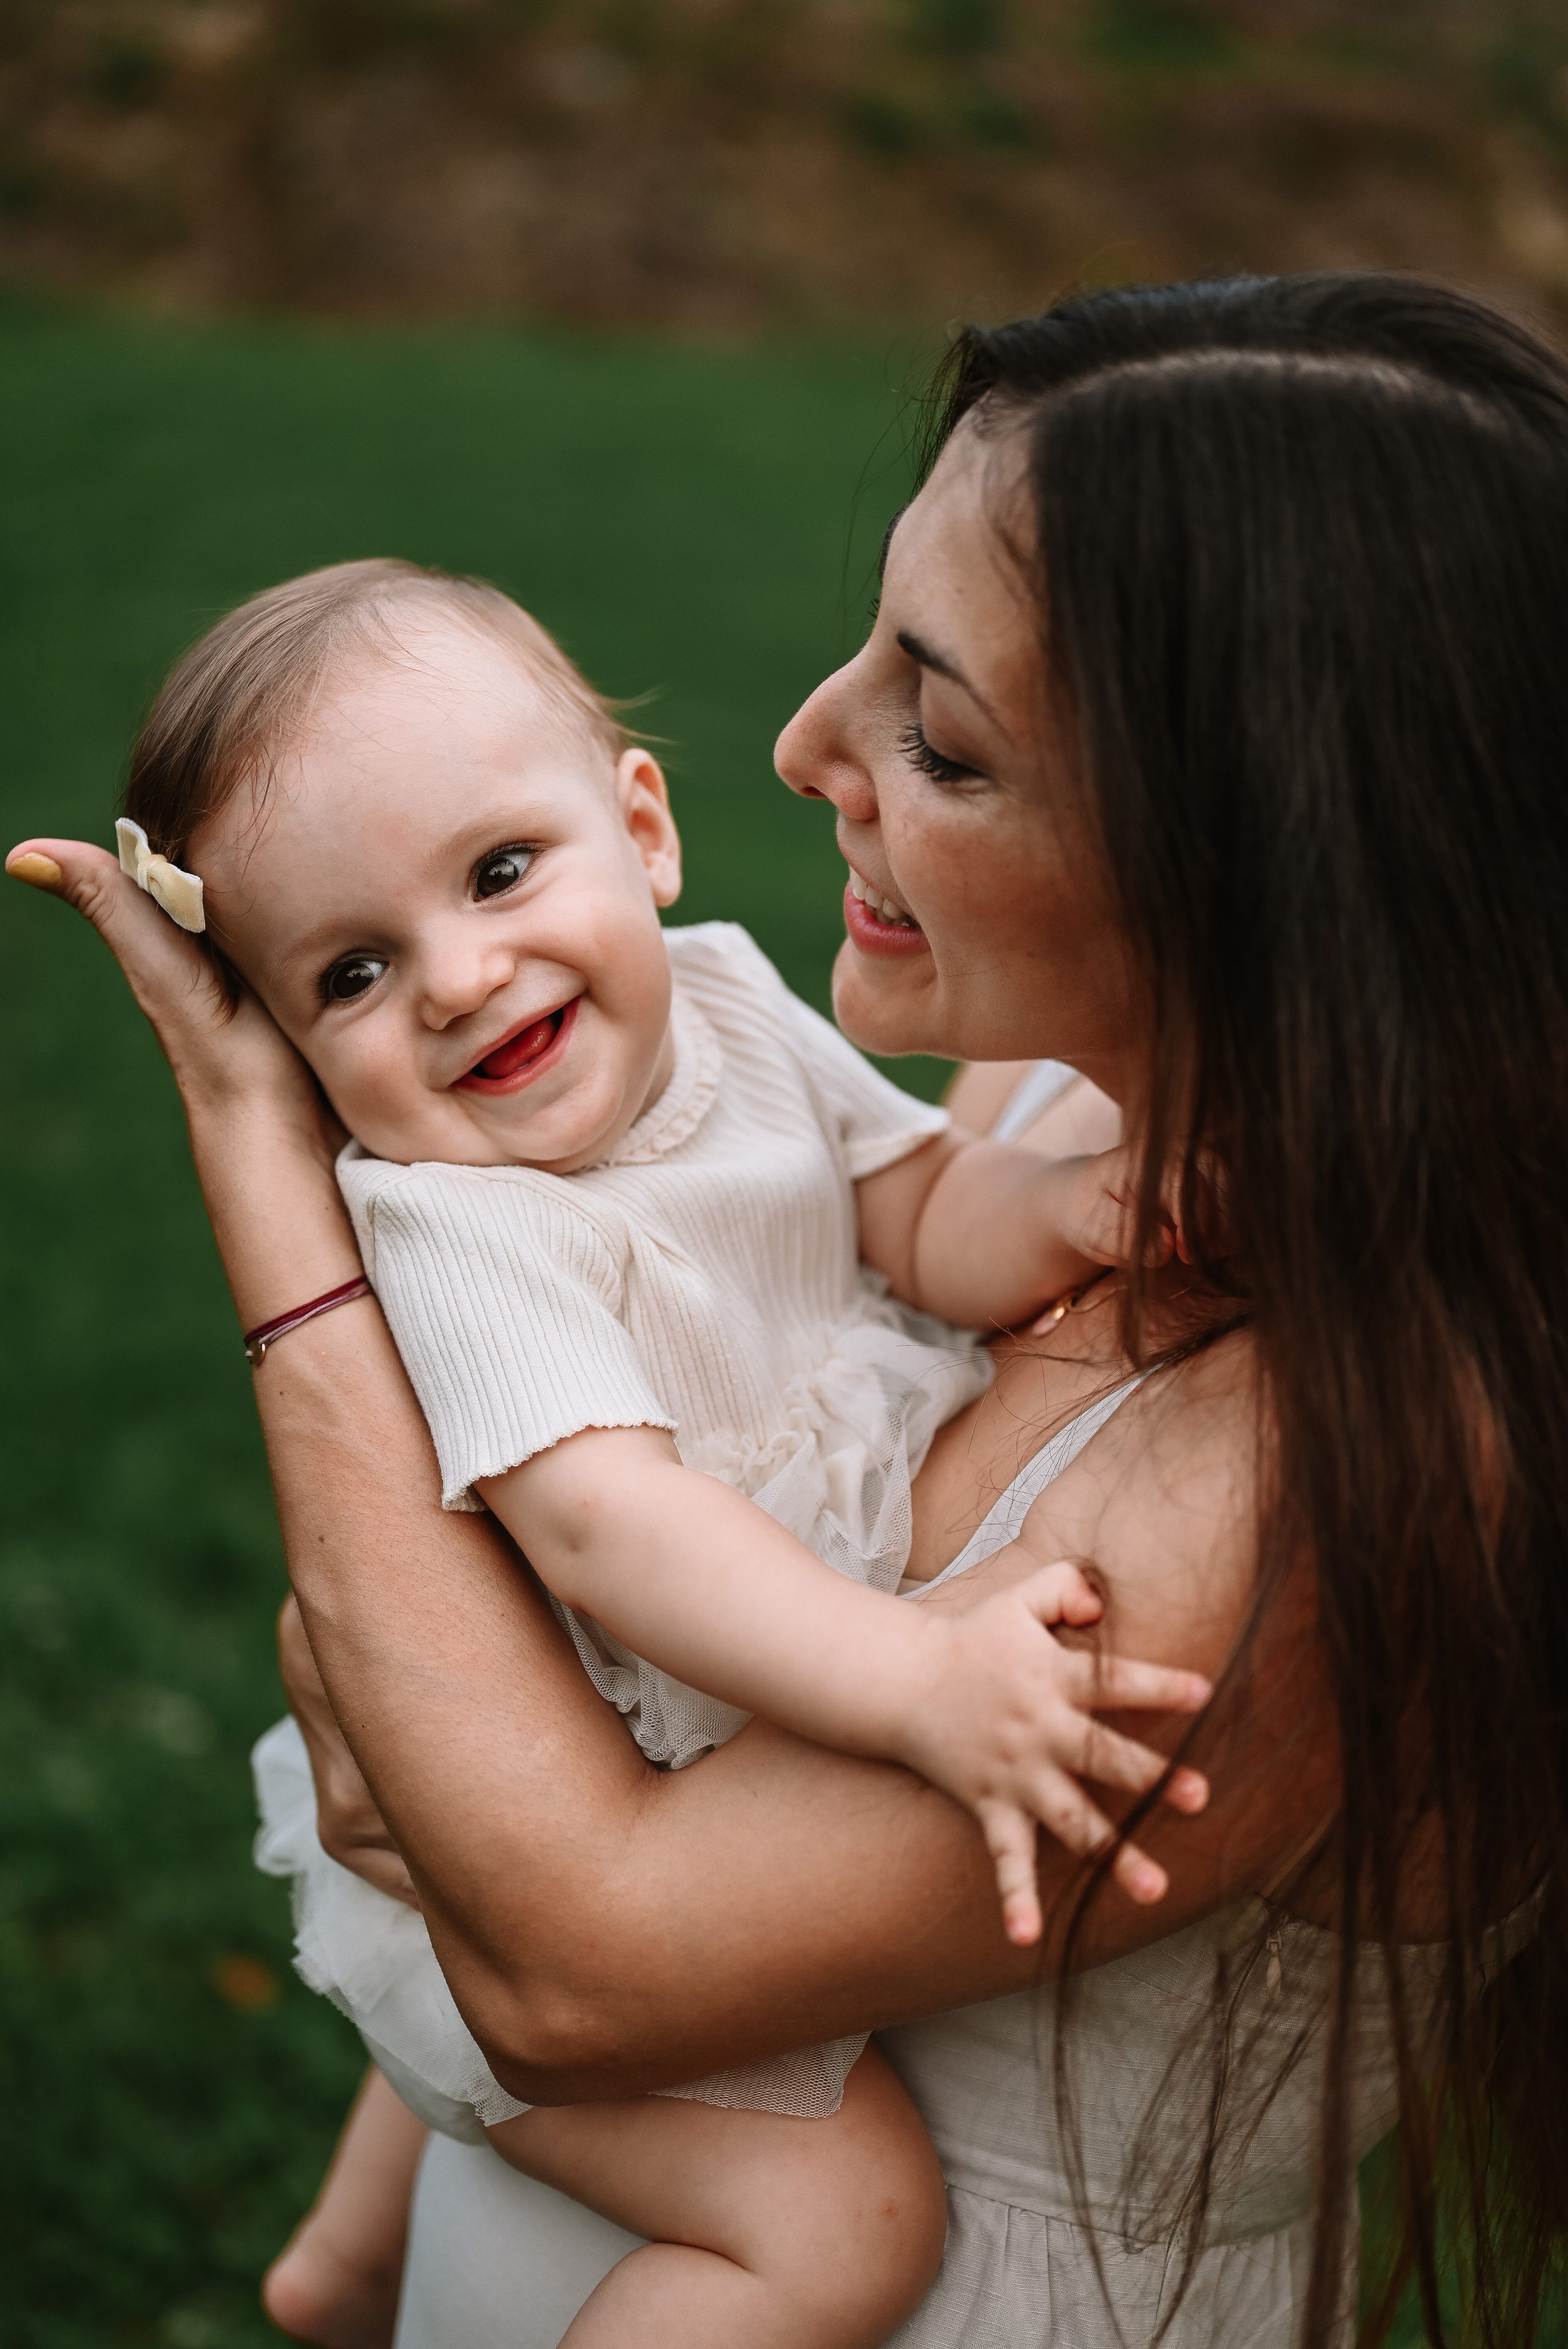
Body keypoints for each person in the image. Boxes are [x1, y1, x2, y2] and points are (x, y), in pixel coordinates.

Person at [11, 268, 1568, 2349]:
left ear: (1246, 857)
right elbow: (829, 1296)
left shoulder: (1331, 1466)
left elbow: (572, 1961)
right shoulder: (1049, 1087)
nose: (801, 742)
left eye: (939, 733)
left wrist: (271, 1190)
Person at [108, 554, 1212, 2349]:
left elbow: (916, 1199)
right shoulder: (463, 1232)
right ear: (305, 1061)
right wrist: (919, 1674)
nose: (462, 978)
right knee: (843, 2217)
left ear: (645, 828)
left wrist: (1077, 1203)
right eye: (357, 970)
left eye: (499, 872)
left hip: (651, 1713)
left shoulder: (725, 999)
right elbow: (614, 1535)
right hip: (560, 1782)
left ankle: (343, 2259)